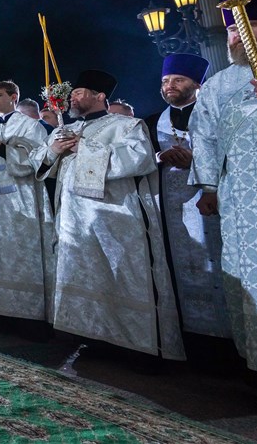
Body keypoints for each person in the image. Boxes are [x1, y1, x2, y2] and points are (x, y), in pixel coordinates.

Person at [31, 69, 184, 363]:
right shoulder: (65, 129)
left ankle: (135, 350)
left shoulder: (127, 125)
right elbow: (37, 162)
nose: (72, 98)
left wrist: (84, 148)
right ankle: (91, 338)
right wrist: (53, 150)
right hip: (74, 221)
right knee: (84, 277)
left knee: (120, 276)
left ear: (99, 96)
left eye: (79, 93)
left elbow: (140, 159)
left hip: (114, 218)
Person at [189, 5, 257, 380]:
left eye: (248, 26)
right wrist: (209, 186)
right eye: (232, 30)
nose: (235, 36)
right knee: (246, 276)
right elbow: (203, 137)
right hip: (239, 199)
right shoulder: (218, 84)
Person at [142, 53, 229, 350]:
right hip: (170, 210)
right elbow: (138, 160)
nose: (170, 86)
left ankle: (231, 344)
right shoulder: (151, 122)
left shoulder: (216, 115)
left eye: (178, 80)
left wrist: (198, 160)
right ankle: (191, 343)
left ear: (197, 84)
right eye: (165, 81)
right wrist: (159, 156)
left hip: (215, 203)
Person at [0, 81, 54, 339]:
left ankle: (23, 316)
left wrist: (1, 147)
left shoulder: (32, 126)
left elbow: (38, 161)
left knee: (18, 252)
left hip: (20, 200)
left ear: (14, 97)